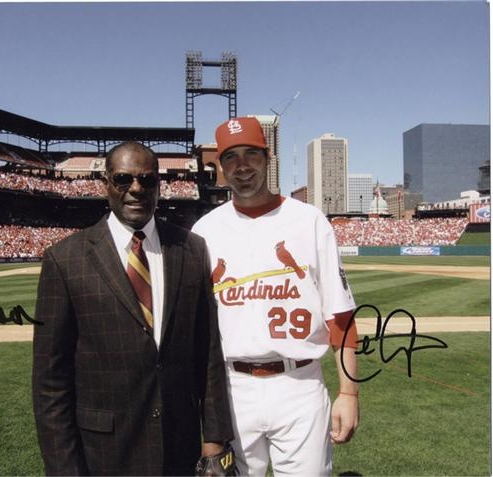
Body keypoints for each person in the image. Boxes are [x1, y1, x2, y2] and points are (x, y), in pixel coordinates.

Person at [32, 141, 233, 476]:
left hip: (180, 448)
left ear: (159, 185)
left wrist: (214, 438)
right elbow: (50, 382)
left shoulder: (192, 249)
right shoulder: (65, 259)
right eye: (124, 179)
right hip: (104, 453)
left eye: (148, 180)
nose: (136, 189)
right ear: (106, 184)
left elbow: (207, 352)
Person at [192, 117, 360, 476]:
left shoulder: (309, 221)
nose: (242, 166)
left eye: (251, 154)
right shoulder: (204, 231)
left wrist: (349, 393)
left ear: (268, 158)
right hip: (231, 389)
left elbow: (341, 317)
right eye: (231, 157)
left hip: (299, 385)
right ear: (221, 167)